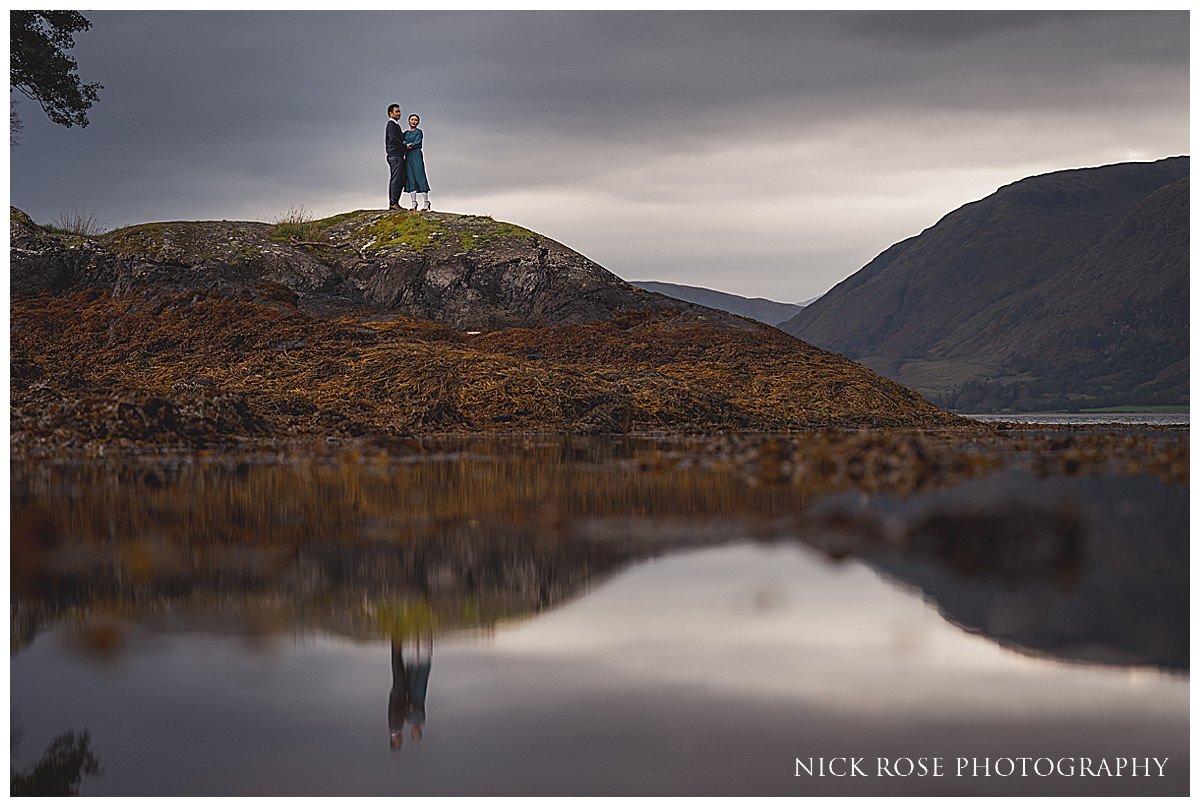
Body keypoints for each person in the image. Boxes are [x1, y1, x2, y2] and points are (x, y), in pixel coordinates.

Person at [403, 114, 431, 211]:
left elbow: (417, 143)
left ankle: (426, 202)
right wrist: (406, 145)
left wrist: (408, 145)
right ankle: (413, 202)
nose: (414, 121)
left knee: (420, 175)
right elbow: (401, 141)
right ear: (409, 121)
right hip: (408, 156)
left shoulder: (419, 132)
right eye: (412, 119)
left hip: (416, 154)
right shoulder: (405, 133)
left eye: (416, 120)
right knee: (410, 177)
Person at [385, 103, 407, 211]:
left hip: (398, 156)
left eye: (399, 111)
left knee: (402, 178)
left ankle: (395, 202)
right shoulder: (391, 125)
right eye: (397, 111)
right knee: (396, 179)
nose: (399, 113)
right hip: (394, 156)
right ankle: (393, 203)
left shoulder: (396, 125)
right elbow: (393, 139)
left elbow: (400, 137)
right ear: (390, 113)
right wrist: (404, 146)